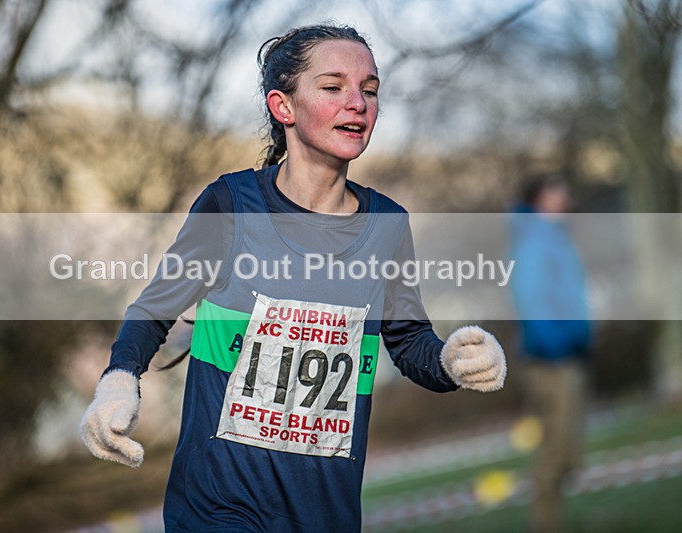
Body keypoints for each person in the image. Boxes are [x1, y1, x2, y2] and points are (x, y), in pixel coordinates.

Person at [80, 24, 506, 532]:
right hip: (217, 507)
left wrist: (451, 361)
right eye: (333, 87)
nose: (358, 103)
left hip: (325, 514)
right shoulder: (231, 205)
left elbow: (408, 340)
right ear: (284, 106)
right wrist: (119, 380)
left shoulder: (387, 225)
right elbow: (156, 306)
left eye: (369, 90)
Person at [508, 173, 591, 533]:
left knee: (569, 455)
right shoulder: (534, 240)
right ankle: (545, 526)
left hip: (568, 355)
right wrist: (556, 346)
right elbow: (533, 299)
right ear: (540, 198)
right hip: (551, 360)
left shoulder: (554, 237)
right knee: (557, 453)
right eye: (558, 189)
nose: (566, 196)